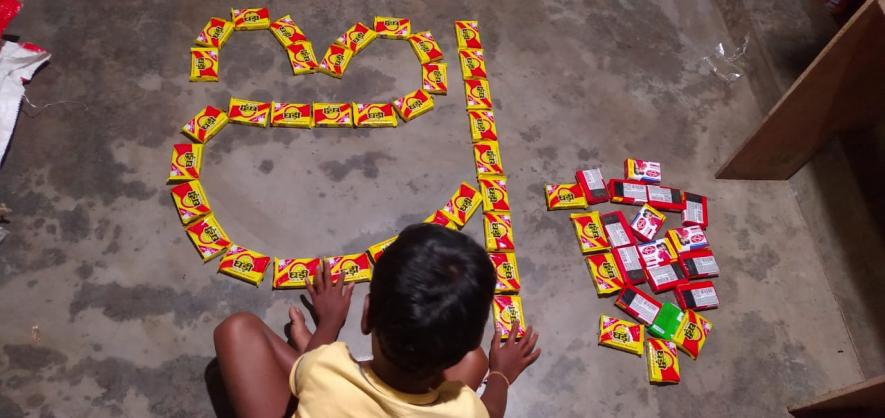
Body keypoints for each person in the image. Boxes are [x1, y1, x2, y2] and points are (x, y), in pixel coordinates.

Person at [213, 223, 541, 418]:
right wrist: (501, 373)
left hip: (326, 388)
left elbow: (315, 366)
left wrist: (328, 324)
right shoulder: (467, 412)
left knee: (237, 329)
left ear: (366, 315)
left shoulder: (322, 365)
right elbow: (491, 412)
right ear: (469, 339)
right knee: (476, 362)